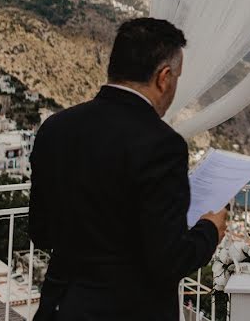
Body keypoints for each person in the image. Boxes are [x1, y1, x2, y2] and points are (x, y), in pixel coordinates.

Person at [30, 18, 227, 320]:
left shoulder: (55, 128)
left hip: (61, 306)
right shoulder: (162, 144)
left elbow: (40, 233)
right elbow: (169, 260)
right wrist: (209, 230)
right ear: (164, 77)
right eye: (177, 77)